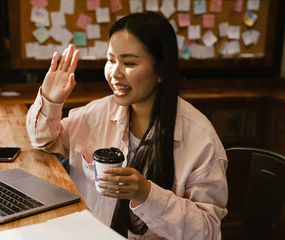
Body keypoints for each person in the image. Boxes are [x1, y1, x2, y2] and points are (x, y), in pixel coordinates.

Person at [26, 11, 228, 240]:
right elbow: (44, 140)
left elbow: (207, 231)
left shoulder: (201, 138)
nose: (114, 73)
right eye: (111, 60)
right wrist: (51, 101)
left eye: (129, 62)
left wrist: (147, 194)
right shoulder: (96, 113)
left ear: (161, 71)